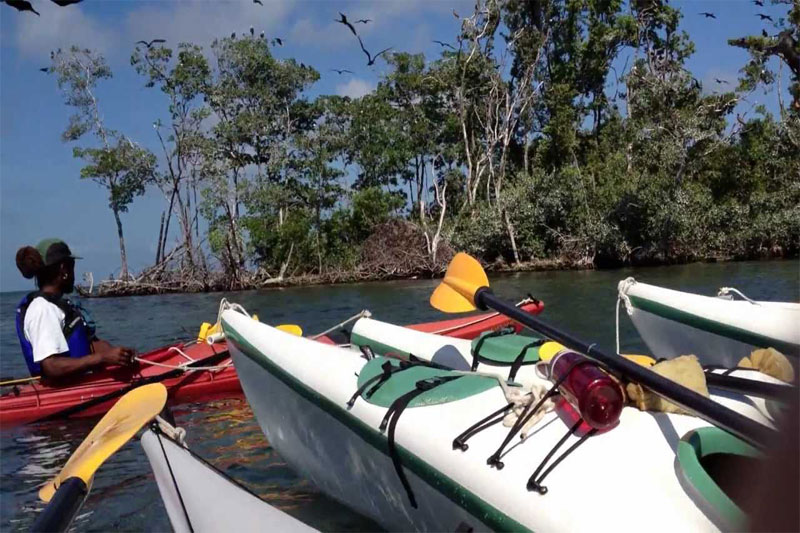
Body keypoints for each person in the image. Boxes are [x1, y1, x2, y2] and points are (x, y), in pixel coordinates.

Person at [15, 238, 134, 380]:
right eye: (72, 266)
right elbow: (51, 366)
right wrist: (101, 358)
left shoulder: (59, 305)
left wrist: (117, 354)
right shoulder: (42, 309)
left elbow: (87, 346)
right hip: (63, 393)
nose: (73, 274)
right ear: (63, 269)